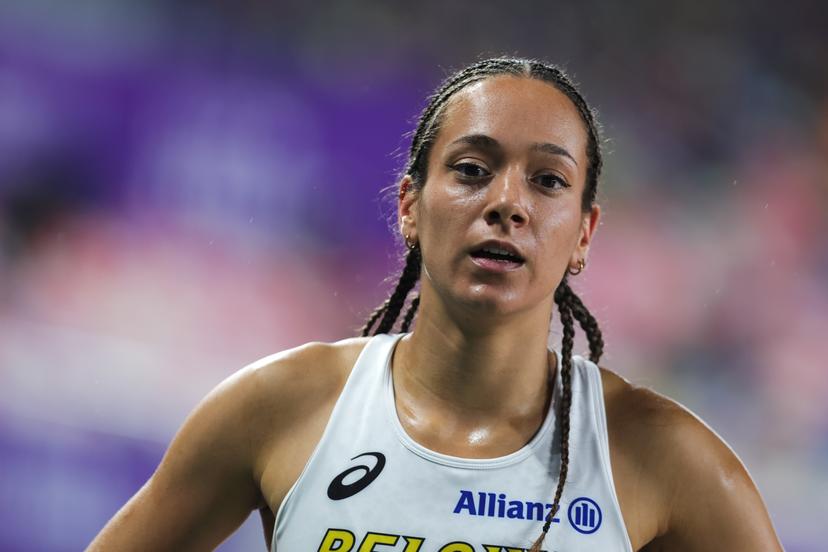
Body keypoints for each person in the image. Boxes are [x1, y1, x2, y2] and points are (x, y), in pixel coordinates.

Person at [87, 57, 783, 551]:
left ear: (584, 234)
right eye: (472, 171)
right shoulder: (279, 407)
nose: (506, 204)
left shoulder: (665, 459)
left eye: (547, 181)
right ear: (410, 206)